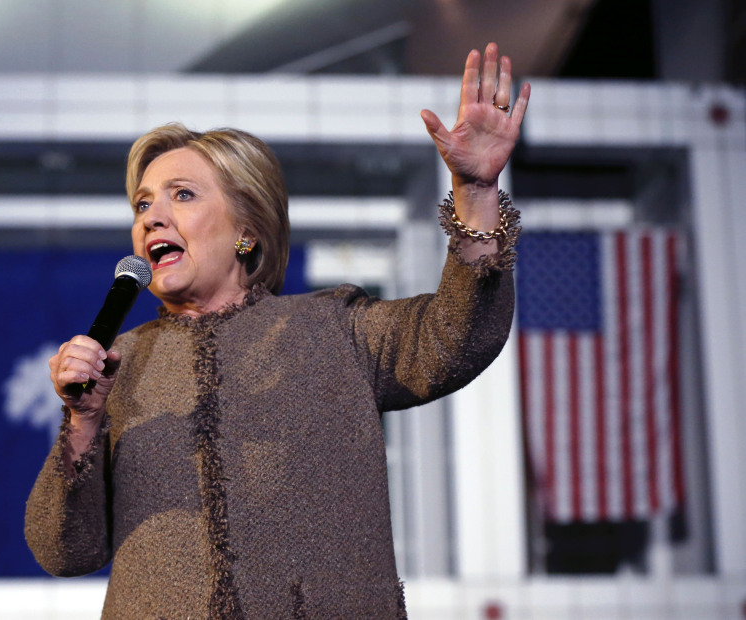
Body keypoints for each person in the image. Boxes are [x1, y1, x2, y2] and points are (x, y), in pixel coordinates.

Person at [26, 42, 530, 618]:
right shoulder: (119, 367)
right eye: (142, 205)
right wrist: (83, 424)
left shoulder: (335, 330)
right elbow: (63, 549)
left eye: (181, 195)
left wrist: (475, 193)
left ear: (248, 231)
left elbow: (458, 337)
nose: (151, 218)